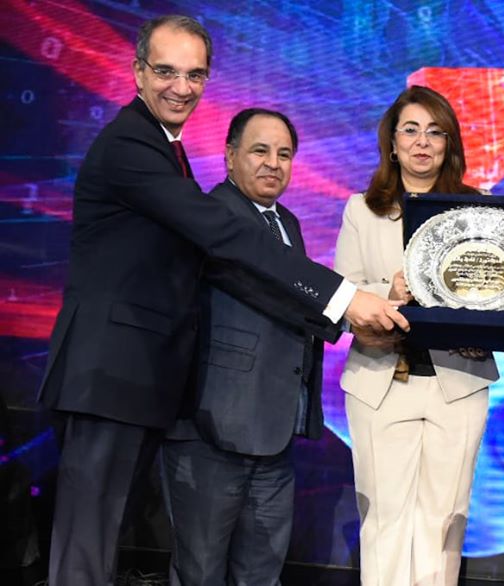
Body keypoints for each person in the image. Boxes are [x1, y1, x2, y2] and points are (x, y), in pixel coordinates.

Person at [37, 15, 406, 586]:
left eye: (195, 74)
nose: (181, 87)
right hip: (108, 376)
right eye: (166, 71)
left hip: (133, 381)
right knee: (86, 549)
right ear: (138, 73)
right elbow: (225, 237)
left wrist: (342, 311)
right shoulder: (132, 144)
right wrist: (342, 296)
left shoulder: (165, 147)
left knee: (102, 541)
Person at [334, 85, 499, 586]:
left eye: (435, 132)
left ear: (450, 144)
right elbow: (342, 294)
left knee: (444, 521)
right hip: (382, 382)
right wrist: (387, 292)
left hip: (457, 381)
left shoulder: (479, 209)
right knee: (384, 520)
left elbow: (499, 291)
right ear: (392, 143)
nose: (422, 142)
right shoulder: (361, 209)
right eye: (410, 130)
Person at [160, 108, 321, 585]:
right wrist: (349, 310)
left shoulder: (288, 222)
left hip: (275, 435)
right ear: (230, 157)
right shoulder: (211, 216)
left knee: (262, 574)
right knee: (200, 572)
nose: (273, 163)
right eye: (260, 151)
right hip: (211, 431)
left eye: (284, 154)